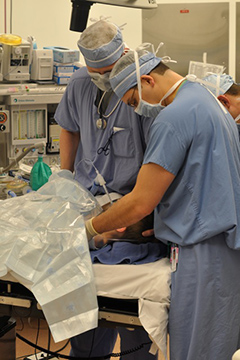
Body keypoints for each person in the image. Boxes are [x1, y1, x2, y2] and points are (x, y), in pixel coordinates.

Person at [85, 48, 240, 360]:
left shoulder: (173, 117)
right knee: (216, 345)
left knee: (197, 352)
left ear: (146, 80)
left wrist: (89, 228)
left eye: (133, 102)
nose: (137, 111)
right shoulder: (206, 99)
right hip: (222, 250)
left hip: (202, 253)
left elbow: (140, 202)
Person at [54, 21, 159, 360]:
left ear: (125, 56)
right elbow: (69, 127)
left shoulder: (143, 92)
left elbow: (159, 159)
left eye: (109, 71)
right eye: (95, 70)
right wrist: (66, 177)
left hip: (132, 210)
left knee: (134, 327)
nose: (102, 78)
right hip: (87, 202)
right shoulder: (81, 83)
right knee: (86, 322)